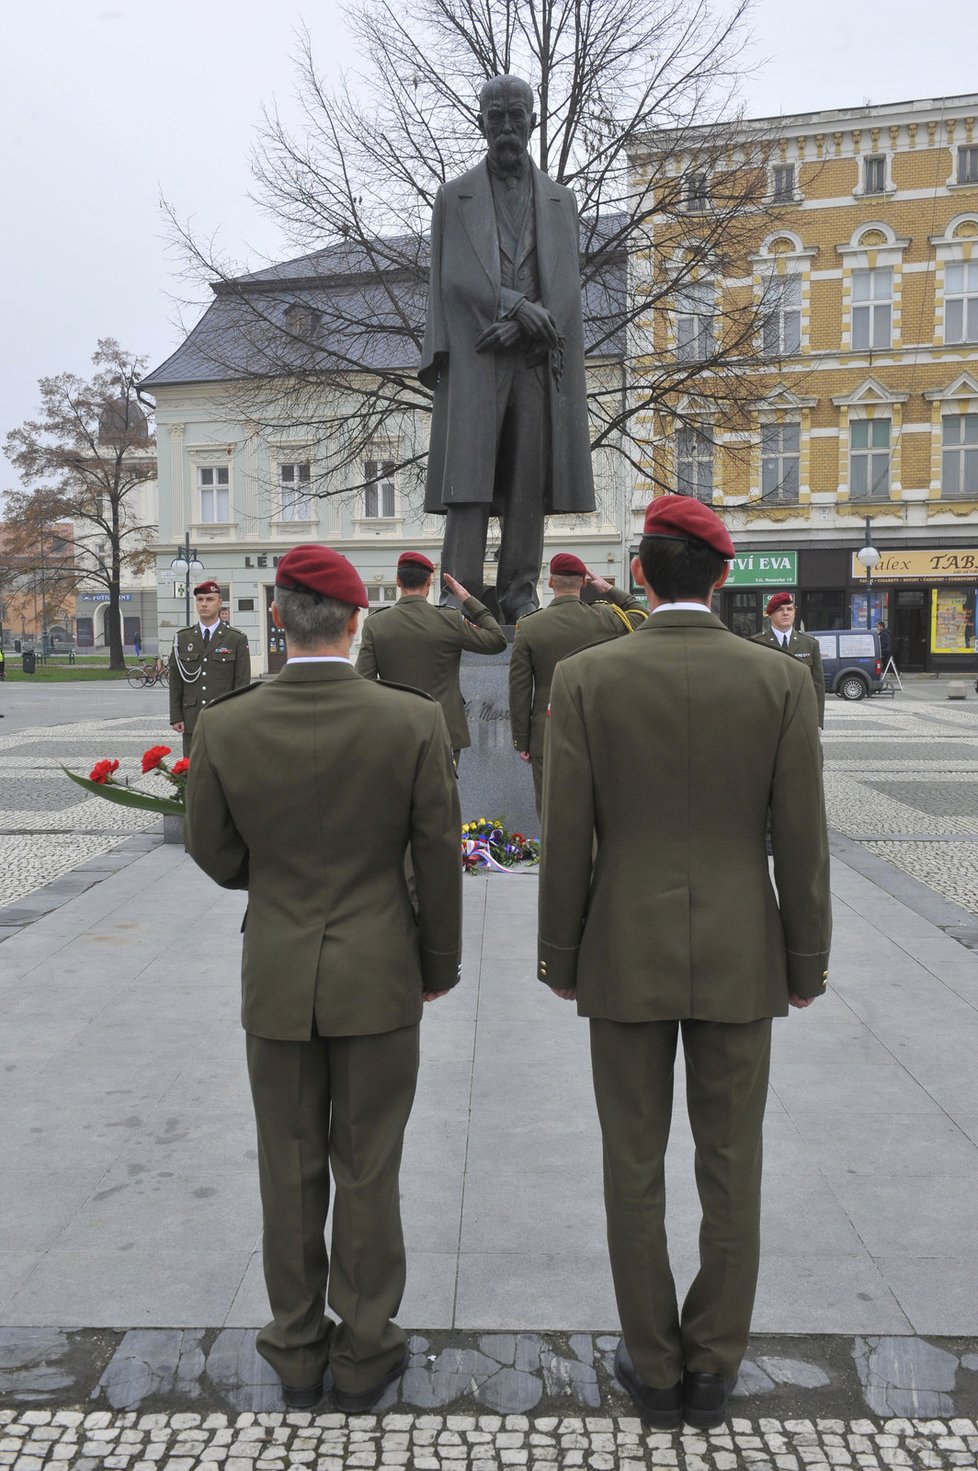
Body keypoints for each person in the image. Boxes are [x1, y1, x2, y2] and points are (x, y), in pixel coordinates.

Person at [538, 495, 831, 1432]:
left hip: (622, 944)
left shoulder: (586, 677)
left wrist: (559, 952)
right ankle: (713, 1365)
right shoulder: (779, 680)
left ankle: (655, 1366)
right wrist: (807, 957)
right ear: (719, 574)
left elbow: (567, 832)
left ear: (639, 575)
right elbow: (802, 839)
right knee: (732, 1162)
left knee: (632, 1164)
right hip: (745, 948)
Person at [185, 545, 463, 1414]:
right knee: (369, 1166)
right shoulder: (411, 721)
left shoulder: (224, 724)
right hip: (381, 969)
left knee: (288, 1163)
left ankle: (296, 1345)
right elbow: (437, 860)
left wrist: (273, 891)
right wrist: (438, 964)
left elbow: (213, 848)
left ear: (276, 615)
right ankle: (366, 1346)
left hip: (275, 970)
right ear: (355, 622)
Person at [420, 74, 595, 623]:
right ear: (481, 122)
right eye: (495, 116)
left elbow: (566, 284)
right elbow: (452, 278)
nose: (506, 127)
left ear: (532, 119)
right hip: (477, 353)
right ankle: (460, 591)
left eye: (516, 115)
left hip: (536, 359)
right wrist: (517, 307)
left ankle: (520, 589)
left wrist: (522, 325)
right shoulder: (454, 197)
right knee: (468, 484)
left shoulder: (561, 201)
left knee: (528, 477)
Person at [508, 553, 645, 817]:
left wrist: (522, 741)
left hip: (546, 734)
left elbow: (520, 690)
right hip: (598, 729)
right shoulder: (606, 617)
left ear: (550, 583)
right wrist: (610, 590)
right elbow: (642, 616)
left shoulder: (528, 627)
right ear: (584, 582)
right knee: (598, 810)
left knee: (551, 811)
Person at [355, 552, 506, 765]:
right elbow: (497, 639)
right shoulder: (449, 619)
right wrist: (466, 598)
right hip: (443, 732)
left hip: (395, 734)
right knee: (441, 796)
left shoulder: (375, 624)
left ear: (398, 581)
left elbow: (364, 683)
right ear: (429, 581)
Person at [169, 580, 251, 756]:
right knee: (192, 770)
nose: (204, 604)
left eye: (210, 599)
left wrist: (238, 718)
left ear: (220, 602)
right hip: (192, 718)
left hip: (224, 718)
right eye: (200, 599)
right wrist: (176, 716)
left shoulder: (235, 639)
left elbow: (242, 684)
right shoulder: (182, 638)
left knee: (224, 770)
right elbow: (175, 681)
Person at [751, 592, 825, 728]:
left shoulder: (809, 643)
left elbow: (818, 686)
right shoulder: (756, 643)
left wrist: (818, 722)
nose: (785, 613)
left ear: (795, 612)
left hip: (801, 717)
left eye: (789, 609)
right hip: (768, 718)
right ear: (770, 614)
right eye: (780, 610)